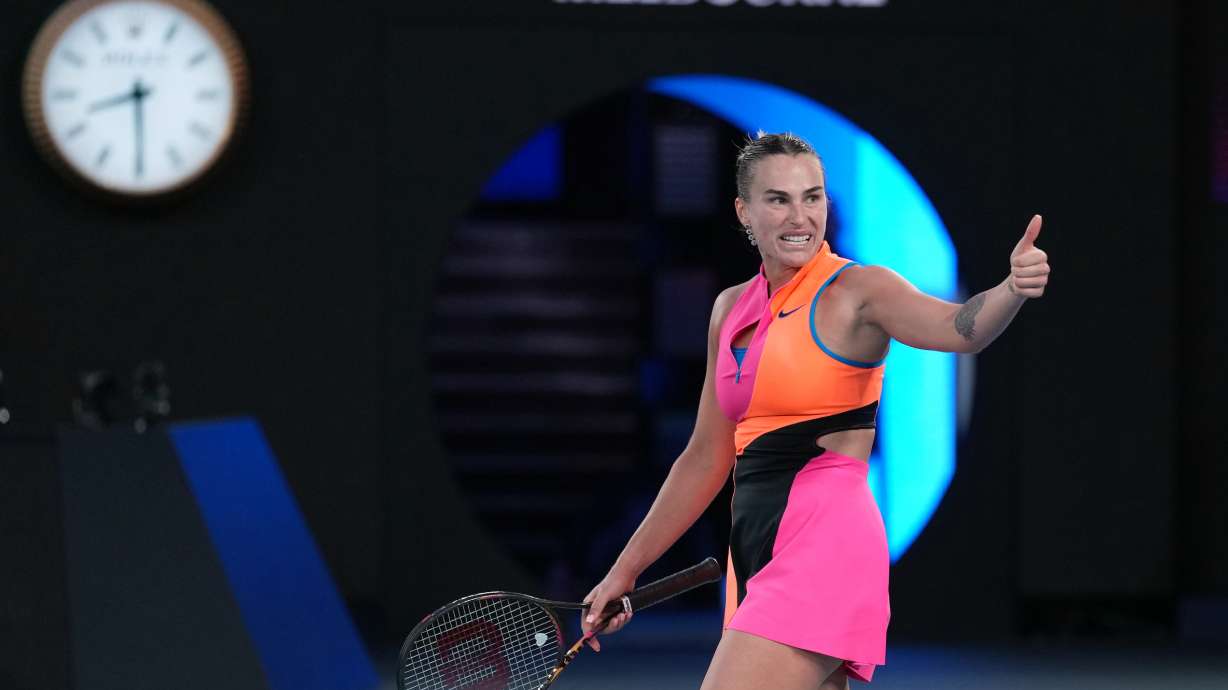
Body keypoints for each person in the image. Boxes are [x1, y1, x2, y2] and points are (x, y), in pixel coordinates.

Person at [580, 132, 1050, 689]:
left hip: (827, 546)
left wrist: (1011, 289)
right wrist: (624, 572)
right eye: (778, 199)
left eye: (813, 197)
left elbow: (959, 329)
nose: (800, 215)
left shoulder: (860, 290)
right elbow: (705, 457)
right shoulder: (729, 309)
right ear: (744, 212)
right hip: (753, 555)